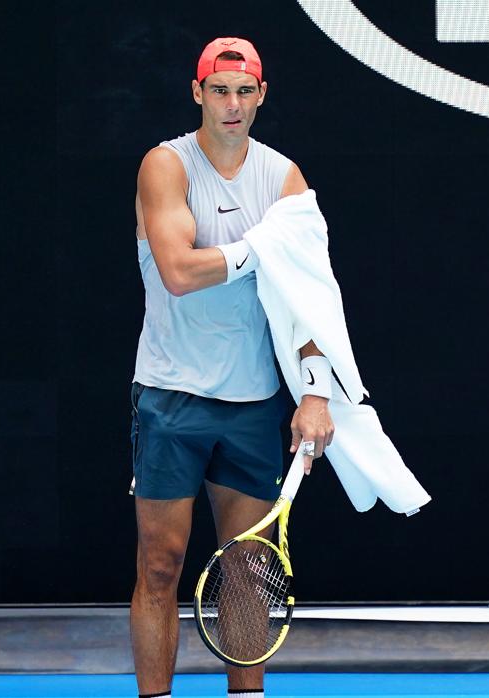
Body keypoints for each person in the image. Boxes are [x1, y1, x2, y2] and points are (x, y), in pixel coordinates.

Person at [129, 37, 335, 698]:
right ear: (198, 93)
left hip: (252, 403)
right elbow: (179, 272)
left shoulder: (284, 179)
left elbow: (309, 302)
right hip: (171, 397)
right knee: (160, 565)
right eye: (219, 90)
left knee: (247, 569)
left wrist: (314, 392)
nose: (232, 104)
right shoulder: (166, 167)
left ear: (261, 96)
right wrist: (260, 248)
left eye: (245, 91)